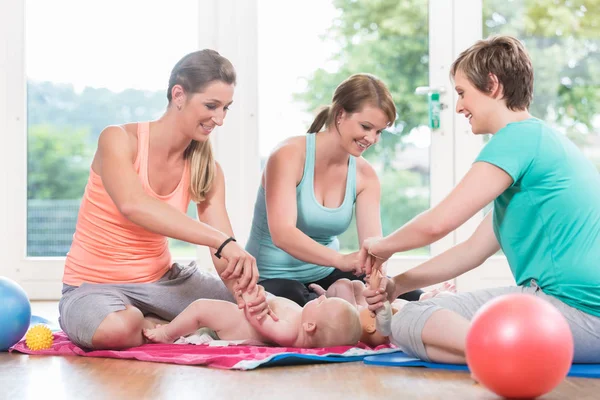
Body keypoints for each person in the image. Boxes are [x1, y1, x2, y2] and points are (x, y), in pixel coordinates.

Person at [359, 35, 600, 363]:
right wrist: (398, 284)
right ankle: (510, 354)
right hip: (578, 316)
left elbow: (439, 223)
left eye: (462, 93)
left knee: (410, 320)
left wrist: (382, 246)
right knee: (423, 327)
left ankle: (507, 354)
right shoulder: (539, 145)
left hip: (575, 311)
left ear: (493, 85)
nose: (458, 106)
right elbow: (472, 251)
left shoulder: (517, 138)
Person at [58, 49, 272, 350]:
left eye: (226, 108)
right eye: (211, 106)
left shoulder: (207, 168)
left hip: (164, 285)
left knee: (266, 315)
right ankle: (165, 324)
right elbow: (134, 205)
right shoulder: (118, 139)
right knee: (116, 330)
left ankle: (161, 323)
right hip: (93, 288)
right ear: (179, 95)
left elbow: (224, 254)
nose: (220, 119)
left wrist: (244, 292)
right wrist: (222, 241)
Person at [245, 73, 423, 306]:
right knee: (301, 300)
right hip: (272, 278)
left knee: (410, 296)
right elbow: (283, 234)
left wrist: (376, 279)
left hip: (326, 275)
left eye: (379, 131)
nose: (371, 138)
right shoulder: (288, 155)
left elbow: (373, 246)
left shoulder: (365, 176)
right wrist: (339, 260)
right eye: (366, 127)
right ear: (340, 114)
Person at [143, 286, 362, 348]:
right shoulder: (303, 320)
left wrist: (251, 299)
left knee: (200, 308)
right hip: (256, 307)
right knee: (198, 315)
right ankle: (168, 324)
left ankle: (166, 333)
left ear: (311, 325)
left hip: (239, 322)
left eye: (323, 303)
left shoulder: (289, 333)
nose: (321, 298)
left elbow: (259, 320)